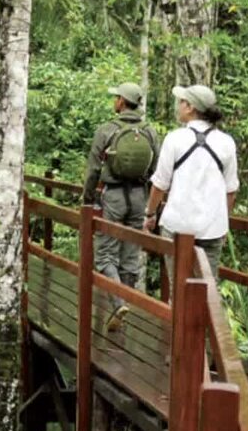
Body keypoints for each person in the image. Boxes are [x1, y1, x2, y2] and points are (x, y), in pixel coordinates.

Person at [83, 82, 160, 332]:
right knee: (130, 253)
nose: (114, 100)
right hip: (139, 197)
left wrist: (87, 200)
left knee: (105, 254)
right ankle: (125, 304)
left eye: (116, 97)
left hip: (113, 196)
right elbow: (155, 170)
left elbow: (94, 170)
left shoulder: (107, 130)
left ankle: (118, 304)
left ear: (122, 101)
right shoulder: (150, 132)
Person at [142, 85, 239, 284]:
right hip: (211, 229)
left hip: (177, 225)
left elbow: (160, 184)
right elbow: (231, 191)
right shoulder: (226, 142)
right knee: (208, 288)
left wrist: (150, 214)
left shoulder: (174, 139)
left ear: (190, 107)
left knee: (178, 287)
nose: (178, 106)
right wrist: (223, 221)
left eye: (181, 102)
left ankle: (177, 313)